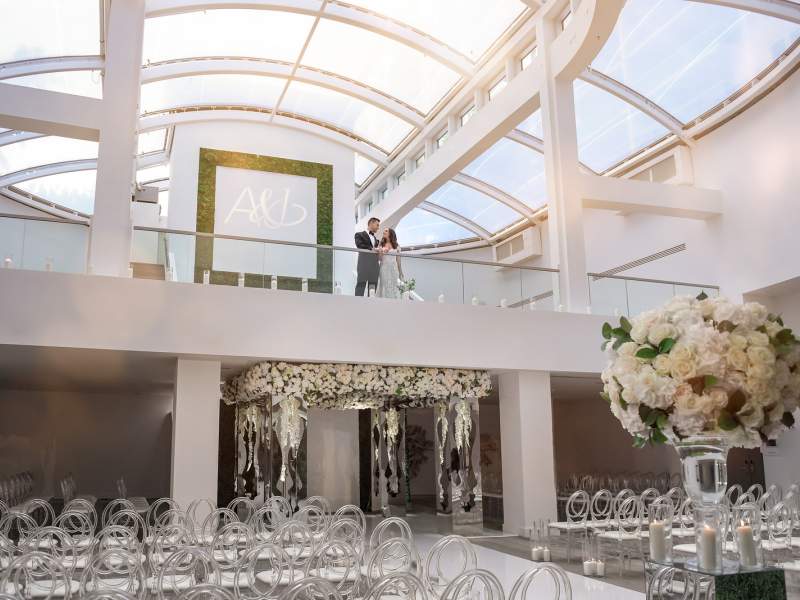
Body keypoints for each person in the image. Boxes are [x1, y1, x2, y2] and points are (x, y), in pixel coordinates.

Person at [376, 227, 404, 299]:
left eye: (386, 231)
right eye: (384, 231)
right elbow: (379, 259)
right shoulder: (381, 244)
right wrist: (381, 251)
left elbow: (398, 260)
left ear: (390, 234)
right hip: (384, 268)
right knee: (384, 285)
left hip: (394, 269)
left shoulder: (396, 246)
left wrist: (400, 272)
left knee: (394, 286)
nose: (384, 232)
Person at [355, 217, 380, 296]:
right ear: (371, 223)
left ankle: (370, 307)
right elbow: (359, 245)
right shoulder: (359, 234)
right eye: (377, 225)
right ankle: (358, 307)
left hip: (375, 268)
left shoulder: (375, 238)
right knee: (360, 288)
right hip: (363, 266)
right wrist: (372, 249)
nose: (378, 227)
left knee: (372, 290)